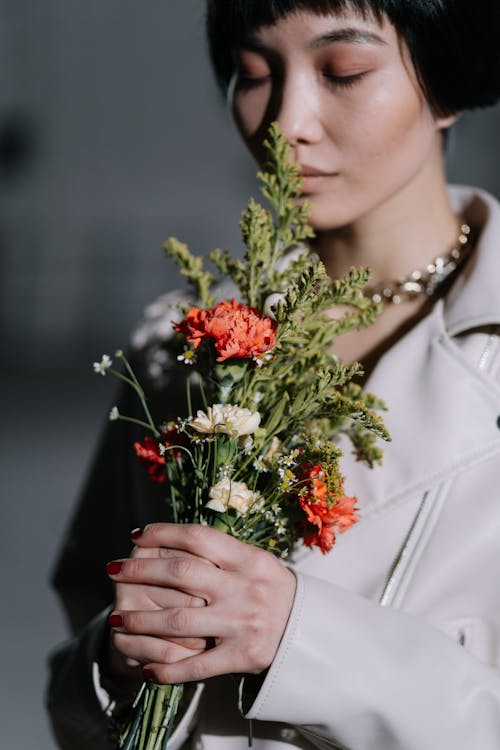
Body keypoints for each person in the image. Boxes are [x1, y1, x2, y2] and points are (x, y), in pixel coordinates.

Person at [47, 1, 500, 748]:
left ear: (448, 81)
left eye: (343, 71)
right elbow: (82, 653)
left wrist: (305, 638)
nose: (286, 122)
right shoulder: (180, 344)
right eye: (253, 74)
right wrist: (117, 661)